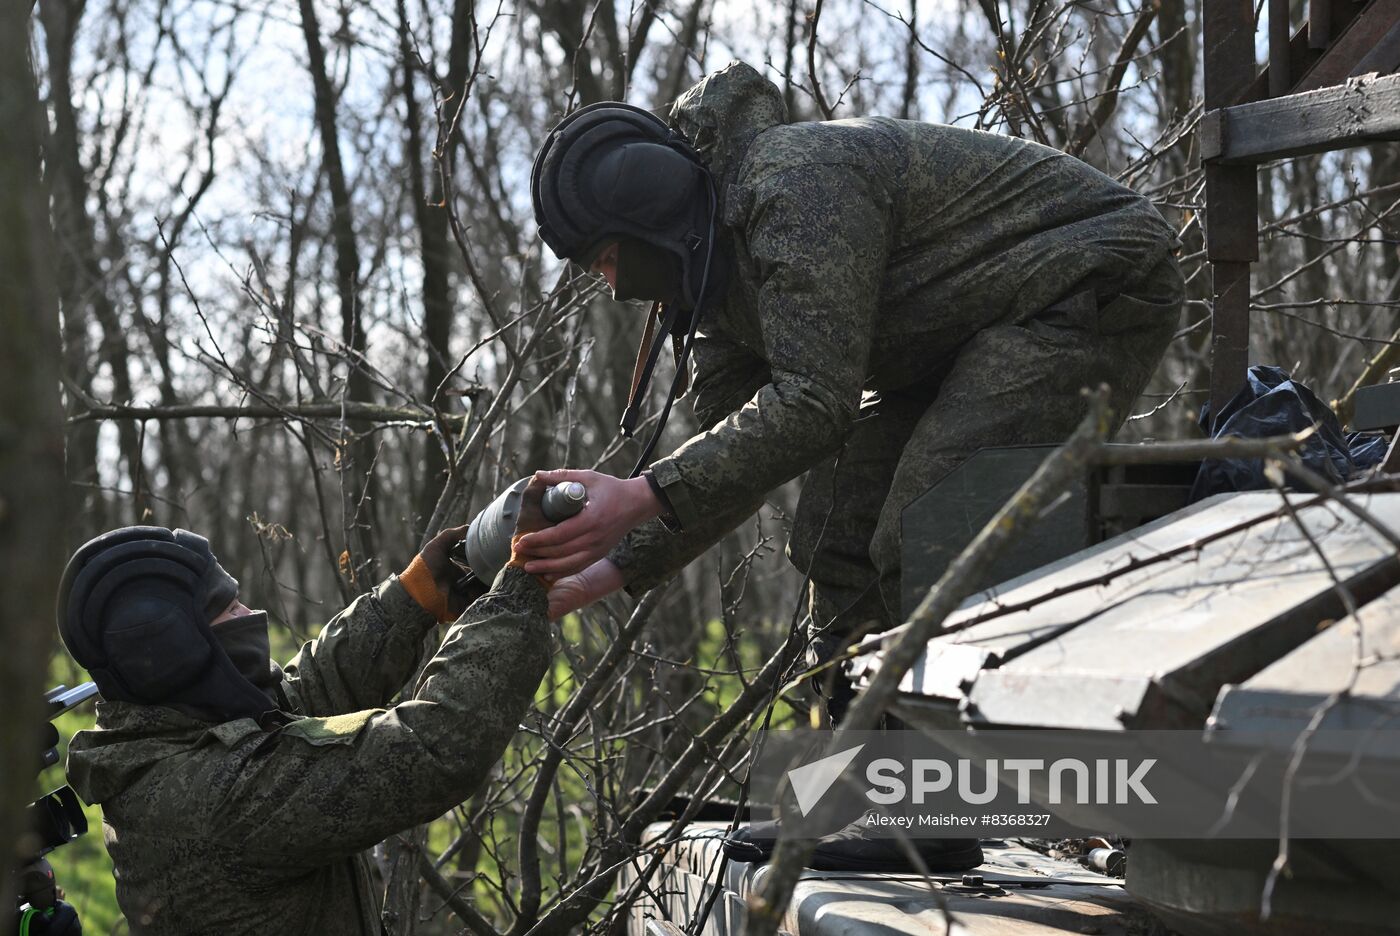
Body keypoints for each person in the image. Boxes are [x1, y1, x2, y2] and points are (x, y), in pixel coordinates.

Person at [526, 60, 1184, 667]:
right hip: (958, 335)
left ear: (654, 209)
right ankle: (855, 745)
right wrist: (601, 572)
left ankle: (975, 760)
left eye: (610, 259)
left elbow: (816, 402)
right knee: (832, 533)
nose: (614, 286)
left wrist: (639, 495)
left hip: (1082, 278)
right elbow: (736, 467)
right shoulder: (714, 287)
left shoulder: (793, 183)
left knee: (929, 522)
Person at [59, 481, 557, 935]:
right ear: (178, 654)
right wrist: (518, 592)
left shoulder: (176, 732)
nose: (251, 614)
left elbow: (300, 700)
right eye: (228, 609)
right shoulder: (208, 800)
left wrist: (414, 596)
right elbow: (430, 746)